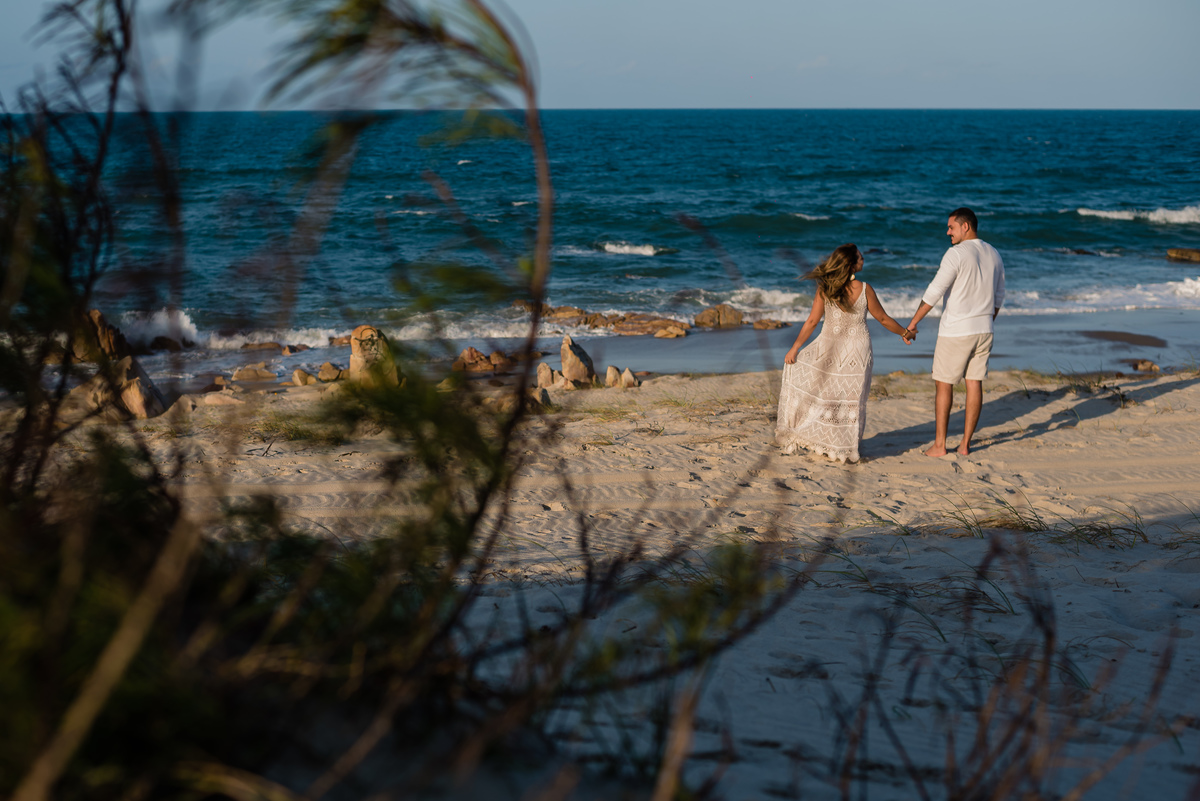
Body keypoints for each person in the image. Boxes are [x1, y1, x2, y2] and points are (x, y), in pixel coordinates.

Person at [775, 243, 914, 463]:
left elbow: (812, 321)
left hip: (829, 348)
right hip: (857, 351)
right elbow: (884, 319)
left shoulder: (825, 287)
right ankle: (845, 446)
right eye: (859, 257)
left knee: (827, 394)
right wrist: (905, 333)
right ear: (850, 264)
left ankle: (831, 442)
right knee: (852, 398)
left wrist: (796, 347)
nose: (863, 259)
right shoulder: (865, 289)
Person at [905, 208, 1005, 457]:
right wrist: (986, 321)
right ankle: (965, 445)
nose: (947, 231)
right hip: (984, 329)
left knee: (944, 384)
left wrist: (913, 323)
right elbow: (999, 296)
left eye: (951, 227)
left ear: (966, 227)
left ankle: (940, 445)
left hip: (956, 331)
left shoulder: (956, 253)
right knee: (974, 383)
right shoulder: (994, 253)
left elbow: (934, 290)